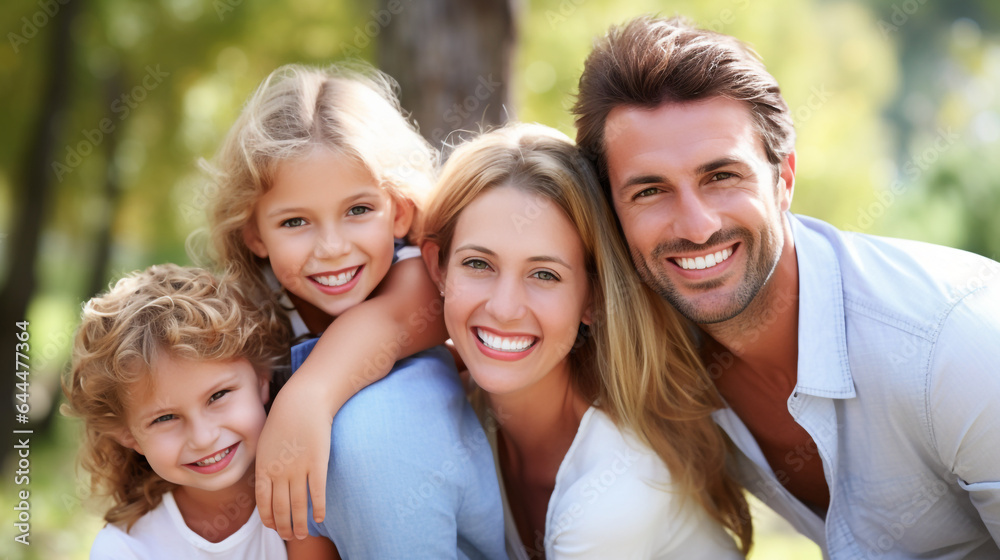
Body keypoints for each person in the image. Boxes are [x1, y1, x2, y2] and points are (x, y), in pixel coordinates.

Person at [573, 15, 1000, 559]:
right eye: (650, 191)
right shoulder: (652, 357)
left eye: (721, 176)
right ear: (613, 213)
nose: (697, 226)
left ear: (785, 180)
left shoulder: (955, 344)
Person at [206, 63, 505, 558]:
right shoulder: (260, 309)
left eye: (358, 211)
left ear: (400, 210)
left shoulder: (420, 276)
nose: (331, 247)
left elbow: (383, 325)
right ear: (255, 234)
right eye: (295, 221)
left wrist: (306, 398)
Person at [419, 123, 750, 559]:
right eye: (479, 264)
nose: (504, 308)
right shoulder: (458, 416)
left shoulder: (617, 485)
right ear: (438, 268)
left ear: (593, 298)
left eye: (545, 275)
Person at [63, 264, 295, 559]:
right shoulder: (126, 550)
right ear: (126, 433)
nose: (203, 437)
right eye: (165, 418)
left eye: (218, 396)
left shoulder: (309, 492)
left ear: (262, 377)